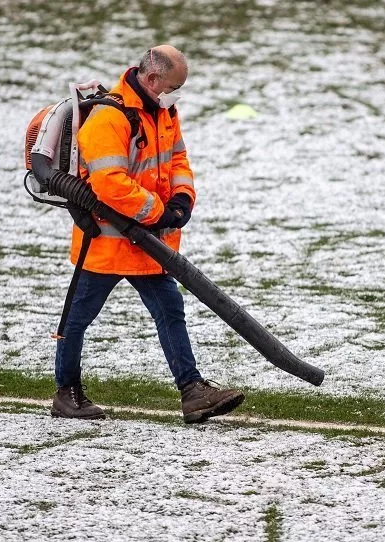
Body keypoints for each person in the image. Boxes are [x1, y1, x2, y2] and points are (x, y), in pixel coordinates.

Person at [50, 45, 245, 423]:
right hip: (107, 241)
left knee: (170, 310)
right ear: (152, 78)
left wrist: (183, 199)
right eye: (173, 86)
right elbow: (110, 183)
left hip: (147, 242)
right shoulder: (110, 117)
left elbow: (177, 160)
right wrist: (158, 213)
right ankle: (66, 393)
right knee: (76, 318)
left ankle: (192, 392)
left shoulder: (164, 110)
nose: (176, 95)